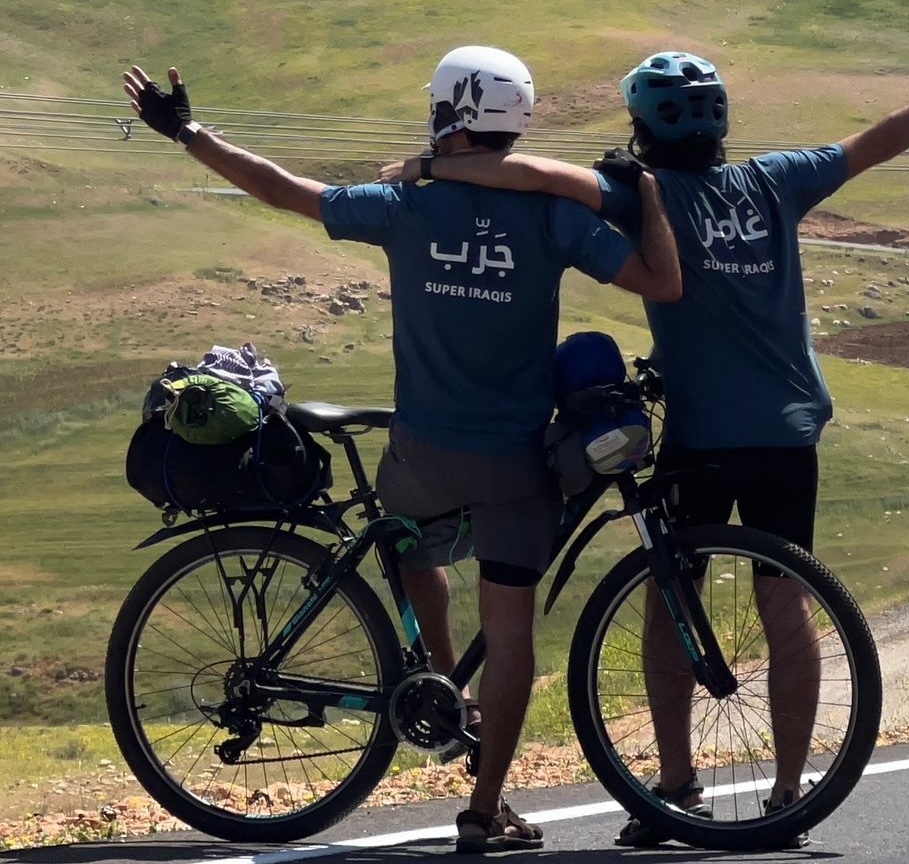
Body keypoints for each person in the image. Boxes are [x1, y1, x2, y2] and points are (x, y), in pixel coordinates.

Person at [378, 22, 909, 848]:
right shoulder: (776, 181)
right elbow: (879, 141)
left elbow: (533, 174)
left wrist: (430, 167)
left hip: (699, 434)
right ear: (719, 126)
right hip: (788, 429)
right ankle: (791, 795)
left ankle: (677, 787)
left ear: (642, 129)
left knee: (668, 597)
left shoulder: (640, 189)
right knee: (784, 599)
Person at [122, 45, 682, 854]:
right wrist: (651, 197)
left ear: (448, 113)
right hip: (512, 462)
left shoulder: (406, 204)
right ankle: (484, 807)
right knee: (514, 629)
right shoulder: (555, 214)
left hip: (419, 454)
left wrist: (189, 134)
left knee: (417, 549)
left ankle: (446, 692)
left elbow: (287, 191)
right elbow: (662, 283)